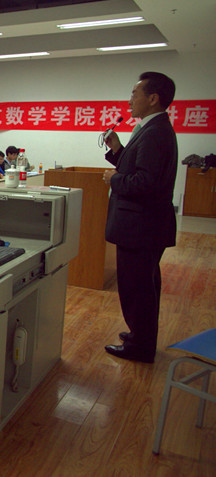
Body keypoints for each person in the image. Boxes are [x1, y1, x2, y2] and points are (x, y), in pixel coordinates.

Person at [102, 72, 178, 364]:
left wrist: (113, 179)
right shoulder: (152, 128)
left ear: (153, 98)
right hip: (144, 226)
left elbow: (145, 183)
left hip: (140, 226)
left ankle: (140, 347)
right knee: (143, 285)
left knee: (138, 289)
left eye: (134, 94)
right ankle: (140, 336)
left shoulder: (155, 132)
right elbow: (139, 169)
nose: (129, 101)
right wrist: (118, 150)